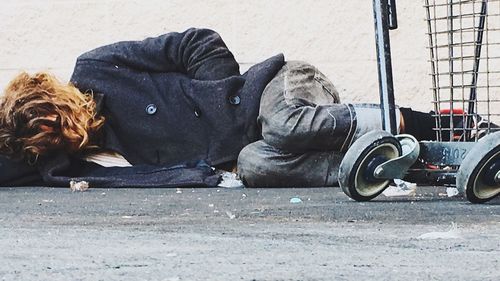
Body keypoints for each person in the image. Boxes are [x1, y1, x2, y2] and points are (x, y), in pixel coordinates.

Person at [0, 28, 437, 188]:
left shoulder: (98, 68)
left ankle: (431, 123)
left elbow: (198, 41)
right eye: (50, 139)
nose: (66, 136)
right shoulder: (77, 162)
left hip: (277, 87)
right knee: (255, 167)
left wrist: (215, 101)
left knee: (285, 126)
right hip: (252, 145)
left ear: (57, 100)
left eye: (58, 124)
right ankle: (402, 164)